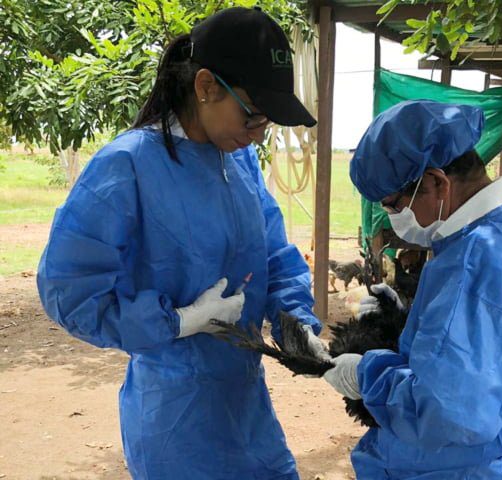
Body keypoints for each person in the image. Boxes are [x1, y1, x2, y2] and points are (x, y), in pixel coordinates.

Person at [37, 7, 328, 479]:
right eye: (252, 115)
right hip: (175, 419)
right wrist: (178, 322)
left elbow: (273, 253)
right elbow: (70, 292)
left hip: (247, 410)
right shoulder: (126, 167)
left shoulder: (238, 162)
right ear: (206, 86)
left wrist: (295, 321)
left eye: (267, 123)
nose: (258, 135)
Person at [322, 100, 502, 479]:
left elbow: (447, 412)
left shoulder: (478, 263)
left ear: (438, 183)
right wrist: (408, 318)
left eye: (394, 205)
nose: (393, 219)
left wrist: (366, 376)